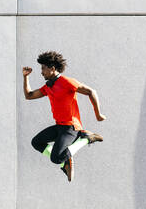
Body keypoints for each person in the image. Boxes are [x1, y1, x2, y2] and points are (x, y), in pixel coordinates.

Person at [23, 51, 106, 182]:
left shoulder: (66, 82)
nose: (41, 72)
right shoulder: (48, 87)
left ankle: (87, 138)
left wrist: (98, 114)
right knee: (36, 142)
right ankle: (65, 162)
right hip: (59, 126)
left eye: (43, 68)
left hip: (71, 127)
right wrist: (26, 77)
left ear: (52, 68)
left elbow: (91, 91)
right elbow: (29, 96)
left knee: (56, 158)